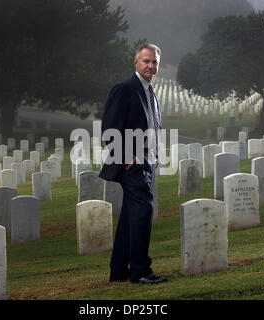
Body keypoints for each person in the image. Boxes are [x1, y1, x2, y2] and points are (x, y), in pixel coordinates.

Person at [99, 43, 166, 284]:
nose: (151, 66)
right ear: (136, 63)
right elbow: (109, 129)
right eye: (146, 61)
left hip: (148, 161)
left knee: (130, 217)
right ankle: (140, 271)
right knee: (143, 214)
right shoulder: (125, 88)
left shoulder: (151, 92)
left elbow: (152, 127)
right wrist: (128, 157)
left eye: (155, 62)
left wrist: (155, 155)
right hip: (133, 164)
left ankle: (118, 271)